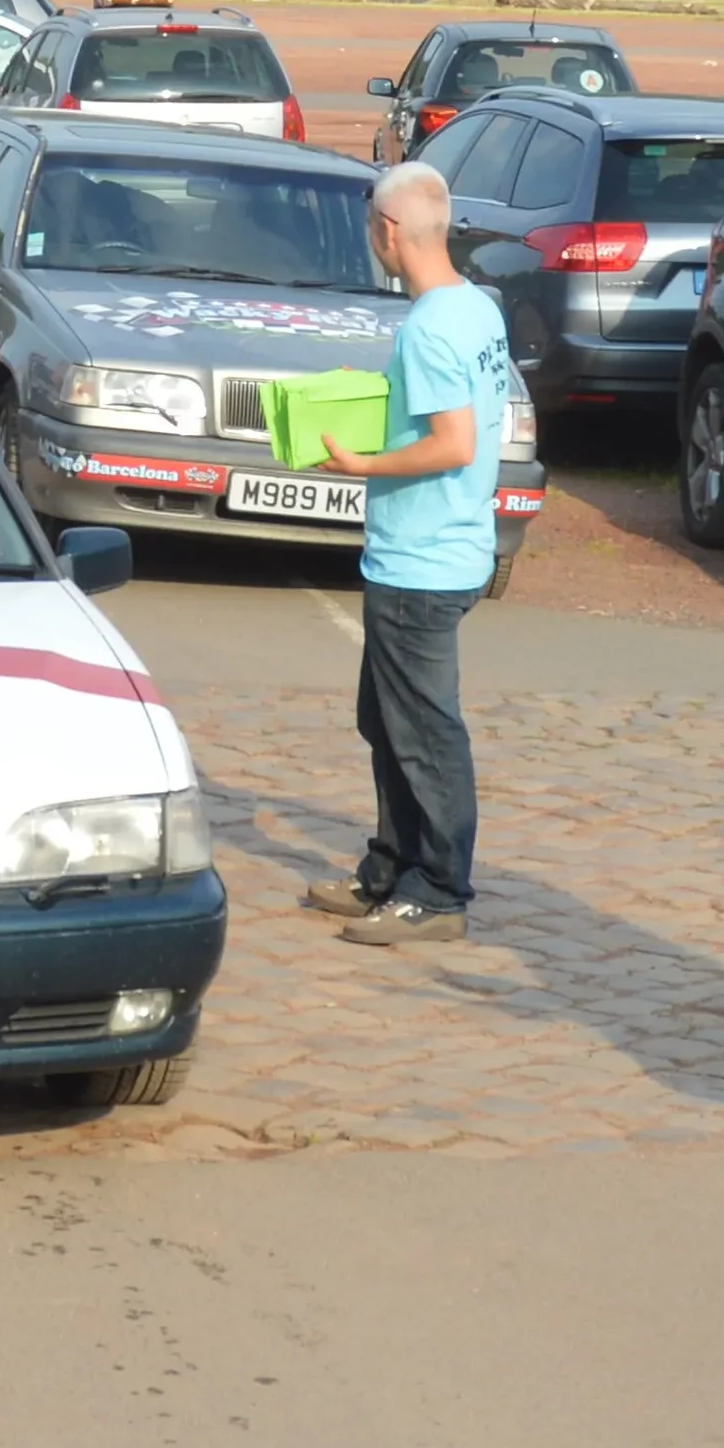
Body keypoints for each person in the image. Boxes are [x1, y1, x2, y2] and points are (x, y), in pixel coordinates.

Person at [305, 159, 514, 945]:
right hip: (446, 548)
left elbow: (452, 442)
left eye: (372, 232)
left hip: (421, 559)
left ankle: (438, 890)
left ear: (389, 232)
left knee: (425, 731)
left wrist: (362, 465)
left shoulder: (429, 325)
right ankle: (389, 867)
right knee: (385, 719)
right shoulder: (475, 308)